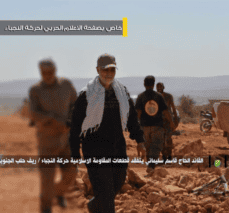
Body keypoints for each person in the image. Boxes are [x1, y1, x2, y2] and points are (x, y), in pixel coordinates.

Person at [69, 53, 145, 213]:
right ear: (97, 70)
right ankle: (99, 205)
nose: (109, 73)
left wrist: (140, 140)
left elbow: (132, 118)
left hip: (117, 149)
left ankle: (94, 205)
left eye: (112, 69)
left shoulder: (121, 92)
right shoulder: (86, 95)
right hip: (95, 151)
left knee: (116, 185)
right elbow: (75, 125)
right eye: (105, 70)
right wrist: (74, 153)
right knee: (106, 194)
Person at [29, 58, 78, 213]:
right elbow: (33, 113)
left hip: (66, 140)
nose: (47, 75)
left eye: (50, 72)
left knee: (71, 173)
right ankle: (46, 207)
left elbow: (75, 105)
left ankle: (57, 193)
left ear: (55, 70)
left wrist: (70, 122)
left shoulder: (66, 85)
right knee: (47, 181)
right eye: (44, 73)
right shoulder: (35, 90)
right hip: (47, 142)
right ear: (40, 73)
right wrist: (51, 119)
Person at [135, 76, 175, 176]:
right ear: (153, 84)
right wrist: (171, 123)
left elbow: (138, 113)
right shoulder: (159, 96)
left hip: (144, 127)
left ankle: (150, 166)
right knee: (156, 146)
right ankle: (151, 166)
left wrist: (136, 126)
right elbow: (166, 112)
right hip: (157, 126)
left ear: (144, 84)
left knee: (148, 147)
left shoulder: (141, 96)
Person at [156, 82, 179, 163]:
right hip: (158, 121)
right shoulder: (155, 97)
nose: (159, 88)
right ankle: (164, 157)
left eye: (160, 87)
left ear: (163, 87)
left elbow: (173, 107)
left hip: (168, 121)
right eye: (157, 87)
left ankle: (169, 156)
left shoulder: (169, 96)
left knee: (168, 138)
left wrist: (175, 119)